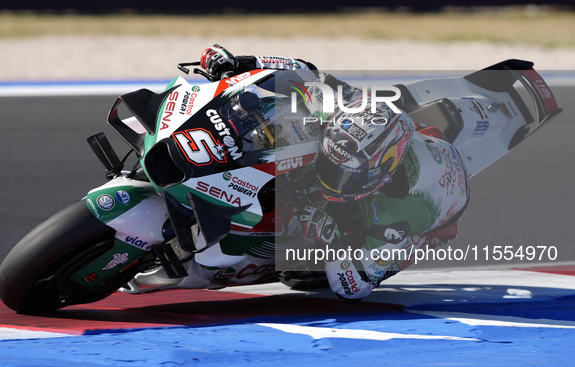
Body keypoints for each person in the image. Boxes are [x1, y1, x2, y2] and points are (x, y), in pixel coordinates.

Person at [199, 44, 470, 301]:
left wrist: (330, 232)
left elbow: (353, 288)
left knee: (304, 274)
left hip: (433, 215)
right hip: (407, 138)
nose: (333, 181)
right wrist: (240, 64)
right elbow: (304, 72)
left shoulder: (398, 214)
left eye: (348, 176)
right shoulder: (343, 106)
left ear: (381, 177)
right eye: (331, 166)